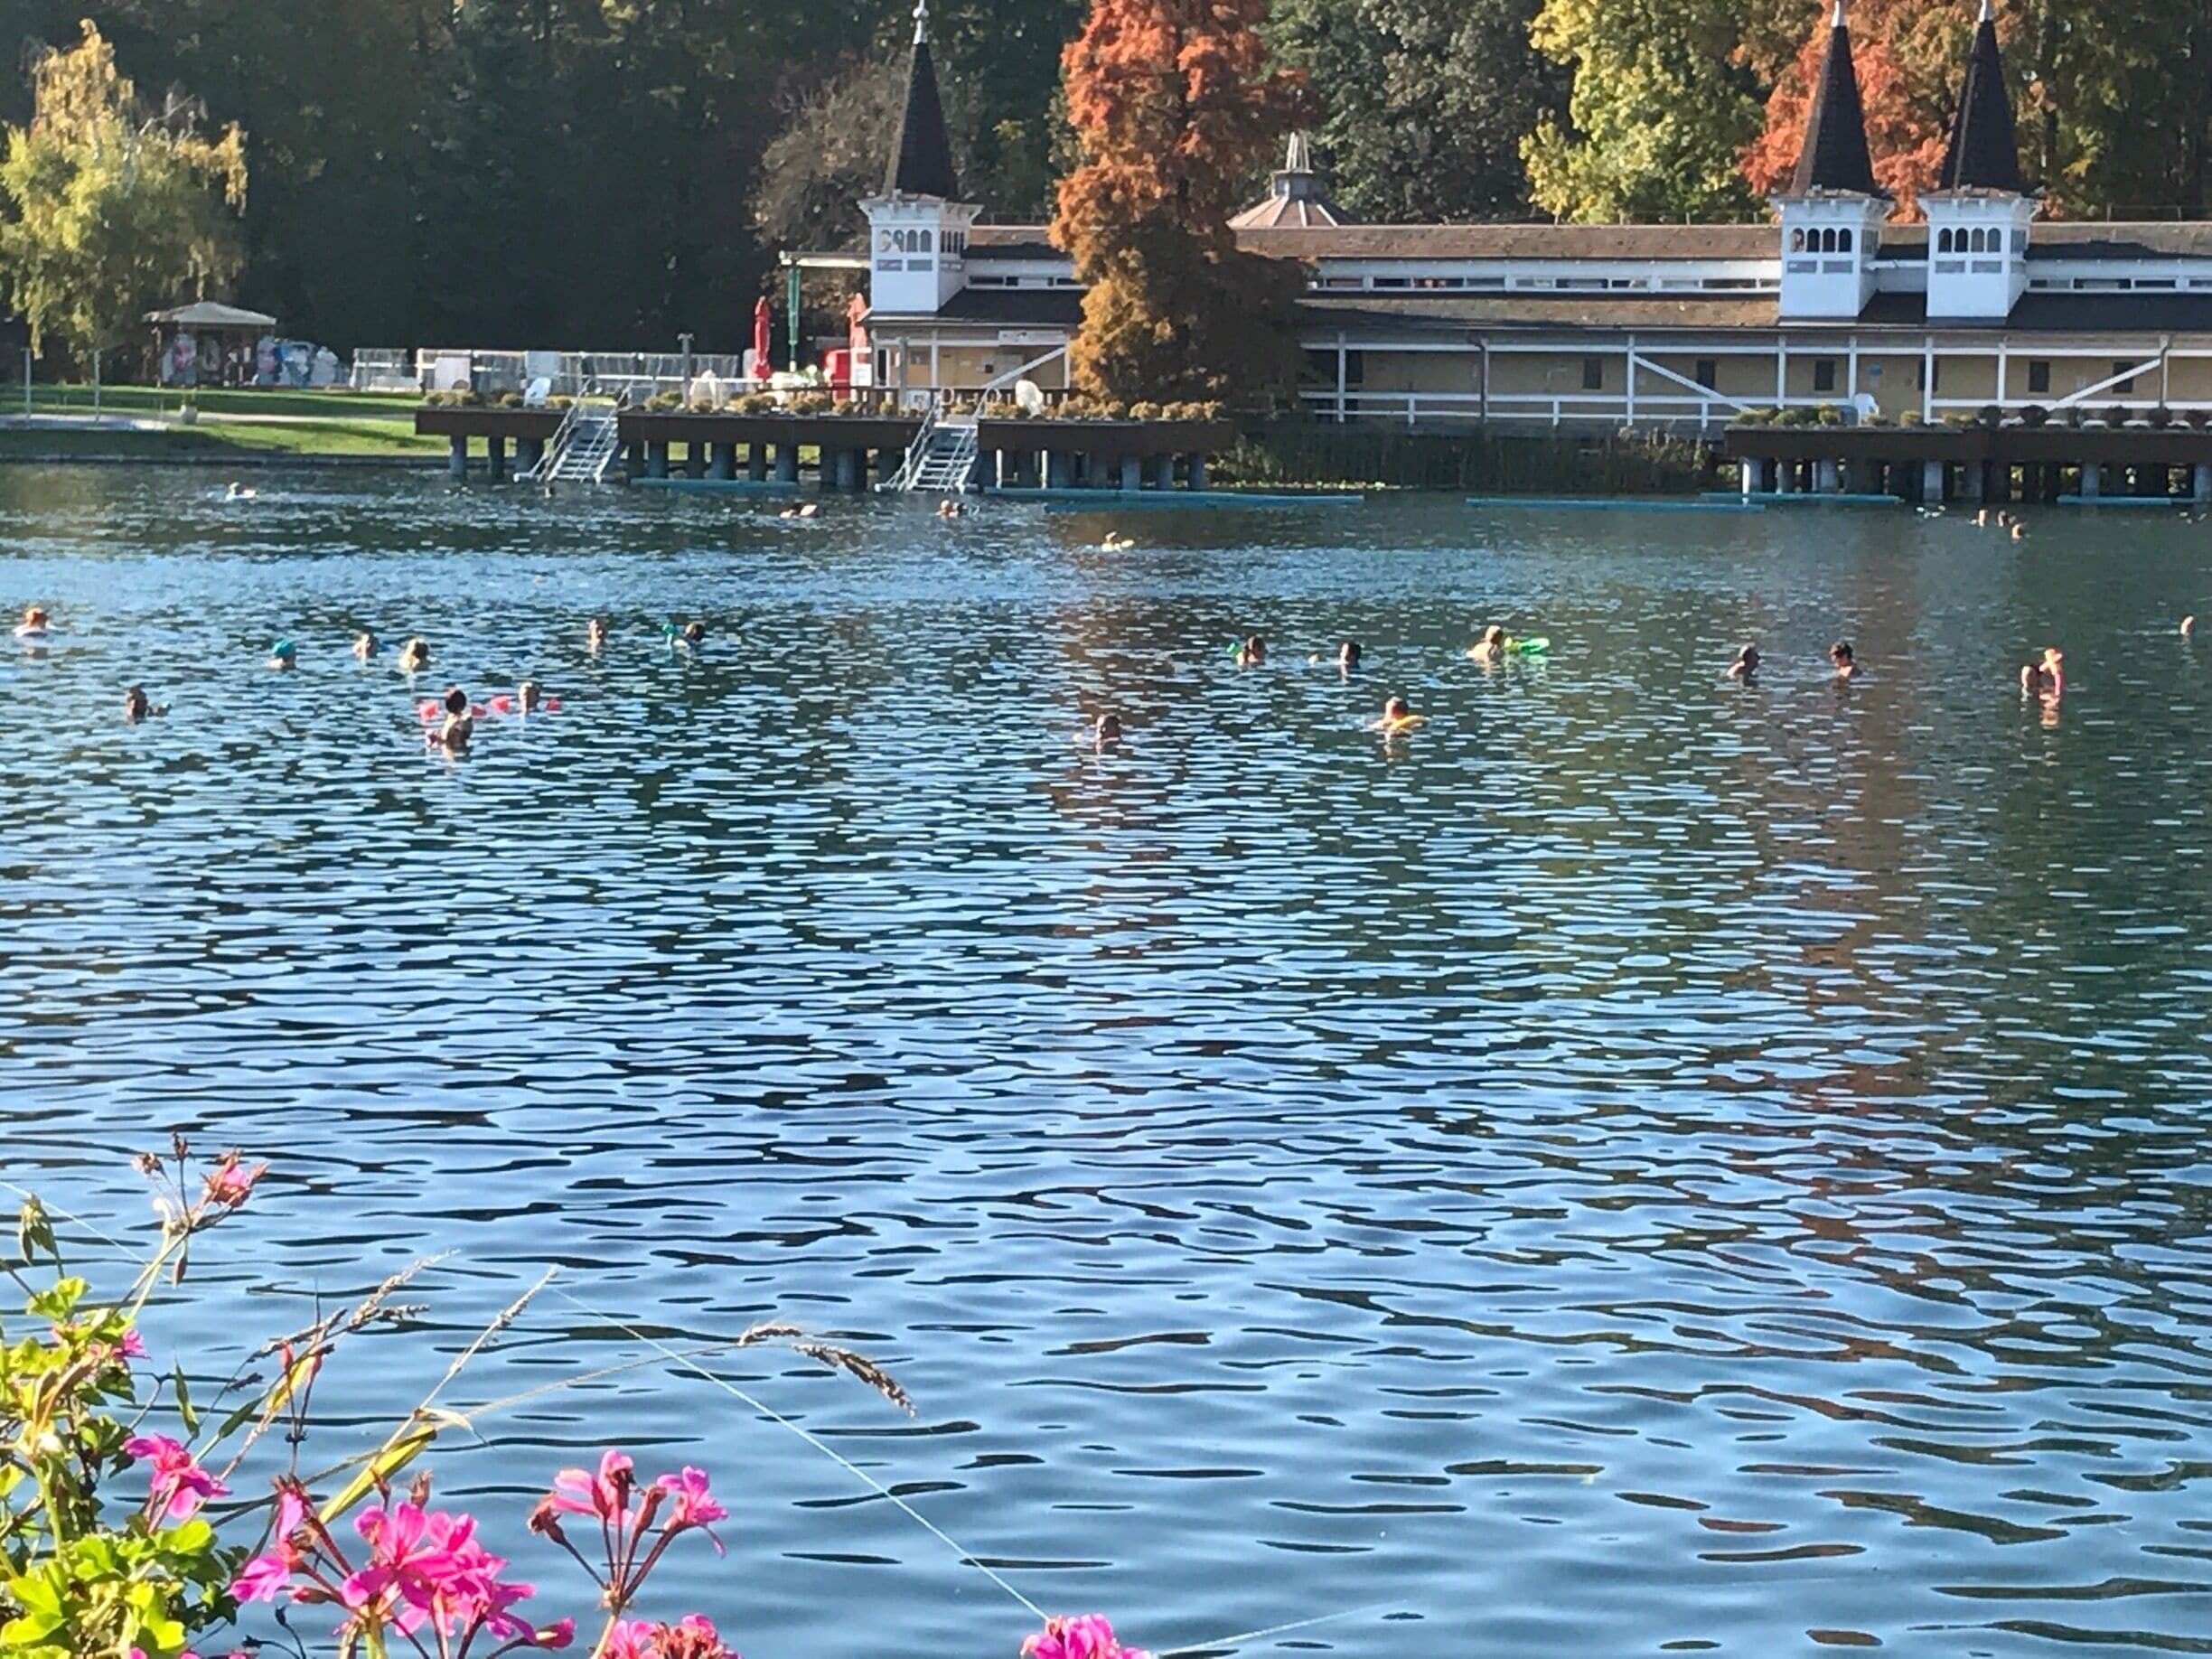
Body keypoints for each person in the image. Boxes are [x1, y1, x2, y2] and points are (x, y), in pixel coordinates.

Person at [431, 685, 474, 752]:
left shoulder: (448, 721)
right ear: (464, 704)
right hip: (460, 747)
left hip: (447, 749)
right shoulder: (464, 720)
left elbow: (443, 739)